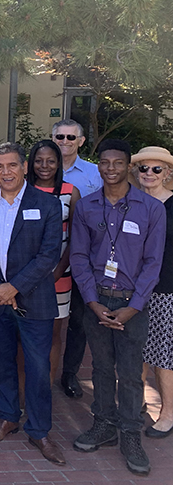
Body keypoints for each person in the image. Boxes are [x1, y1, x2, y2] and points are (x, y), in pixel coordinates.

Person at [70, 139, 165, 476]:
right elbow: (78, 256)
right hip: (96, 300)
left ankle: (130, 433)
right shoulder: (87, 207)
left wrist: (134, 307)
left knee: (129, 373)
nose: (111, 168)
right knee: (99, 368)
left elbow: (153, 263)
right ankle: (104, 424)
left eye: (118, 163)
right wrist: (92, 302)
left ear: (129, 166)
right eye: (105, 162)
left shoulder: (151, 209)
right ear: (99, 165)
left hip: (131, 304)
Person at [0, 143, 66, 465]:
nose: (6, 172)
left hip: (33, 300)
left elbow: (49, 254)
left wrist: (15, 287)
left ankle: (39, 430)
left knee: (38, 368)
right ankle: (8, 416)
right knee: (2, 362)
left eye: (12, 165)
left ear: (24, 167)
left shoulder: (48, 204)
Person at [52, 118, 101, 399]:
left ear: (81, 141)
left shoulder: (94, 174)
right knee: (53, 320)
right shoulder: (41, 170)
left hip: (84, 256)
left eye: (71, 138)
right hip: (51, 260)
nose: (65, 142)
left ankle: (69, 373)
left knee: (79, 319)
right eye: (60, 136)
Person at [27, 140, 80, 385]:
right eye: (38, 160)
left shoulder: (71, 192)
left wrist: (58, 271)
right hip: (24, 276)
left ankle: (46, 384)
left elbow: (76, 238)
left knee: (53, 332)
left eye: (50, 161)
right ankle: (25, 383)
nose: (44, 166)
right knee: (24, 333)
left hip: (58, 276)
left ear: (59, 163)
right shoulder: (23, 189)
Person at [130, 146, 173, 439]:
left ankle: (168, 413)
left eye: (156, 169)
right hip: (131, 289)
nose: (149, 174)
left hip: (165, 289)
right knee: (135, 353)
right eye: (144, 168)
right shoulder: (132, 203)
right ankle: (136, 405)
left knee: (162, 356)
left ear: (167, 173)